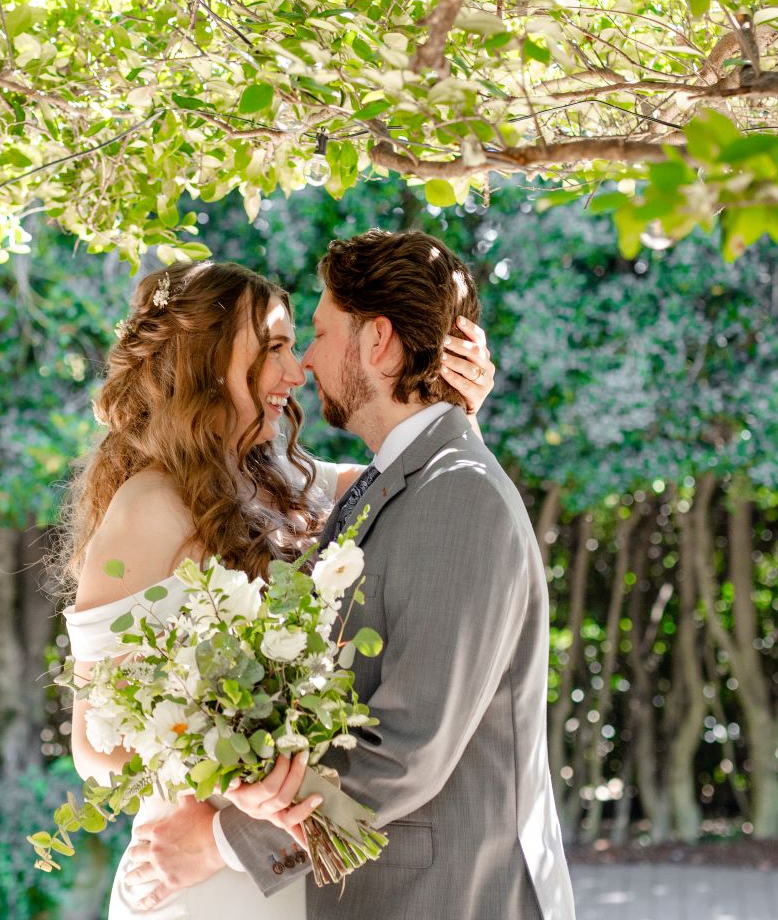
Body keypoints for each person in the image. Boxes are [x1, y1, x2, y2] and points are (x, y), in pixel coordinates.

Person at [121, 232, 576, 920]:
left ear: (379, 343)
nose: (304, 361)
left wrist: (218, 843)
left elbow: (404, 752)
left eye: (322, 332)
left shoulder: (456, 495)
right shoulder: (400, 483)